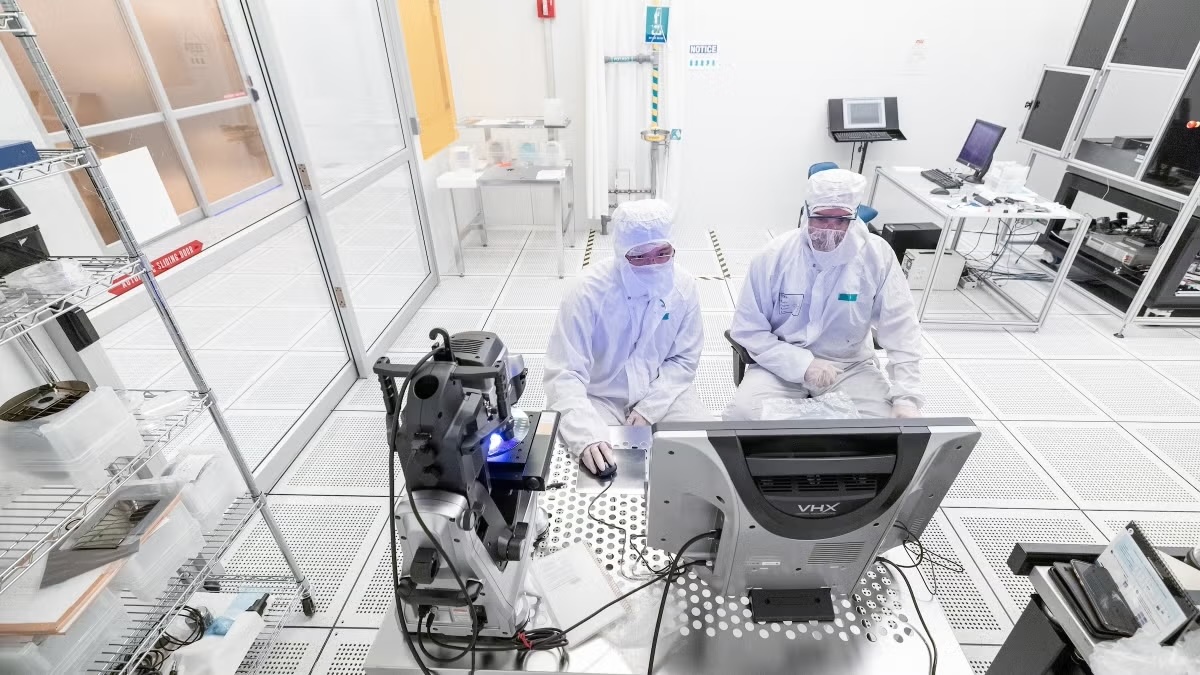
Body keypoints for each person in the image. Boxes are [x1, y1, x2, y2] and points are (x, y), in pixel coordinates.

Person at [724, 168, 924, 421]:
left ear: (854, 216)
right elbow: (748, 330)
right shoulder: (774, 256)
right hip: (779, 363)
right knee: (743, 417)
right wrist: (801, 364)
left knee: (883, 427)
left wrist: (906, 397)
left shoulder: (877, 256)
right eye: (820, 218)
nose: (829, 228)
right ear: (806, 212)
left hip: (849, 366)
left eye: (840, 220)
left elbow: (901, 328)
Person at [545, 199, 709, 475]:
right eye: (640, 257)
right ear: (621, 255)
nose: (654, 264)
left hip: (662, 390)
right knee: (606, 472)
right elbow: (564, 374)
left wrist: (650, 408)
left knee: (704, 456)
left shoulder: (683, 287)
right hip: (601, 396)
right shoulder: (587, 293)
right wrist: (587, 435)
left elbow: (683, 360)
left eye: (662, 253)